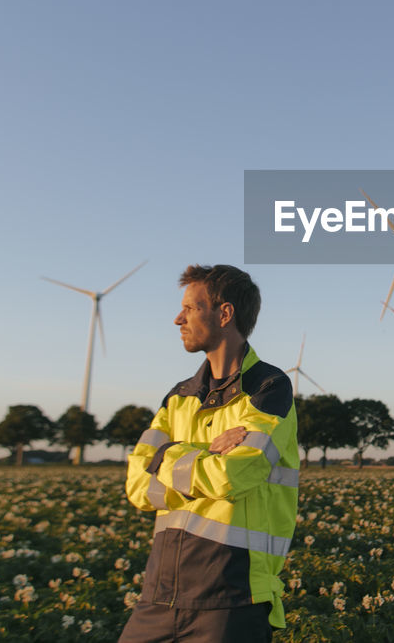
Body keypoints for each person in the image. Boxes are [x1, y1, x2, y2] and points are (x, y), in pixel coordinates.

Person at [119, 264, 299, 643]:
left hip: (232, 598)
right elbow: (138, 489)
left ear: (225, 313)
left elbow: (231, 477)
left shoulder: (269, 388)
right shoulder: (179, 396)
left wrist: (165, 456)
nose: (177, 318)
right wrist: (202, 452)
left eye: (190, 308)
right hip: (159, 594)